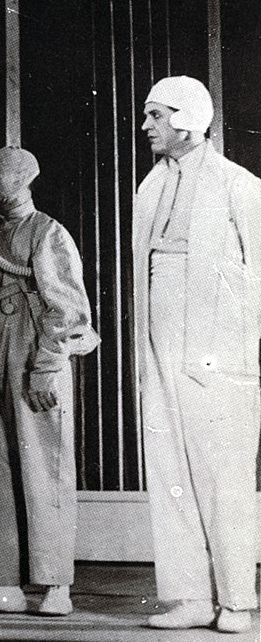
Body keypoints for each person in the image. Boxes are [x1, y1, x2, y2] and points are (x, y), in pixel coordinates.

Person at [133, 76, 260, 634]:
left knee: (222, 471)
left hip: (218, 349)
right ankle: (187, 597)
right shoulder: (150, 187)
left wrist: (237, 346)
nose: (146, 126)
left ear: (187, 121)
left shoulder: (239, 185)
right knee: (169, 466)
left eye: (156, 115)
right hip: (159, 335)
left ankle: (236, 601)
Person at [0, 146, 99, 617]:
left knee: (45, 471)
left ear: (16, 180)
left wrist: (46, 368)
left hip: (32, 360)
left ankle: (56, 585)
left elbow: (69, 309)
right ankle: (7, 585)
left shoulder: (47, 232)